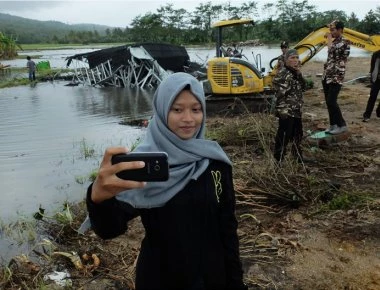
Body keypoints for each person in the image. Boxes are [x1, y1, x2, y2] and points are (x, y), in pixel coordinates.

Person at [85, 72, 248, 290]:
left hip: (213, 277)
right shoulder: (143, 165)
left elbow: (227, 228)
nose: (189, 119)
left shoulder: (215, 163)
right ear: (162, 111)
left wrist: (236, 283)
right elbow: (110, 230)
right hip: (161, 277)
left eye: (196, 109)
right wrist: (98, 198)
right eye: (177, 109)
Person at [273, 49, 305, 163]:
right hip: (287, 111)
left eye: (297, 58)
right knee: (284, 135)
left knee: (298, 134)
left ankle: (297, 157)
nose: (295, 60)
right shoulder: (283, 74)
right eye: (292, 58)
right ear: (286, 60)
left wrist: (299, 73)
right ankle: (278, 159)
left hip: (296, 109)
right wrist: (283, 112)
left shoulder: (295, 73)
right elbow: (280, 95)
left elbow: (303, 87)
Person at [322, 20, 350, 134]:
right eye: (330, 30)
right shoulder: (334, 42)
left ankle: (342, 125)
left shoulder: (345, 42)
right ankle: (333, 125)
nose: (331, 32)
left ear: (340, 30)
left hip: (336, 76)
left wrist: (329, 39)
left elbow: (339, 55)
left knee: (332, 101)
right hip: (327, 75)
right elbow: (330, 55)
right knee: (328, 102)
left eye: (333, 30)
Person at [362, 50, 380, 122]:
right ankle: (367, 115)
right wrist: (371, 78)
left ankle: (379, 112)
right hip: (376, 80)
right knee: (372, 97)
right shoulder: (376, 54)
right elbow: (372, 67)